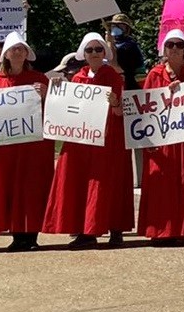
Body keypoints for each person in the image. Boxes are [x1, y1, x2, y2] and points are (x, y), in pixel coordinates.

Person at [43, 33, 132, 248]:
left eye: (98, 49)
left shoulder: (113, 77)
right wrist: (56, 89)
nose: (94, 54)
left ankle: (114, 228)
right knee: (86, 182)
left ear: (104, 53)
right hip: (84, 139)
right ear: (84, 53)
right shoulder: (78, 78)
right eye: (90, 50)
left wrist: (115, 103)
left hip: (109, 138)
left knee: (110, 181)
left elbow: (121, 112)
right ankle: (87, 229)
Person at [0, 33, 52, 251]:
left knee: (30, 187)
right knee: (10, 188)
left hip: (32, 145)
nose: (17, 53)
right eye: (13, 49)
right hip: (6, 146)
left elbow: (55, 109)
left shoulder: (40, 79)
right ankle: (17, 234)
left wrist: (46, 95)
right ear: (6, 54)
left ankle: (31, 235)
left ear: (27, 54)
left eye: (21, 49)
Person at [136, 31, 184, 246]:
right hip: (162, 140)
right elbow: (144, 109)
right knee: (161, 185)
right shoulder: (154, 74)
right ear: (164, 49)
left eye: (179, 44)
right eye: (170, 44)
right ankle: (161, 231)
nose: (174, 48)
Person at [109, 14, 145, 88]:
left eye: (120, 25)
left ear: (127, 28)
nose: (116, 27)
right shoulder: (112, 44)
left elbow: (114, 65)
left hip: (130, 86)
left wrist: (110, 43)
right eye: (114, 25)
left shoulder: (130, 46)